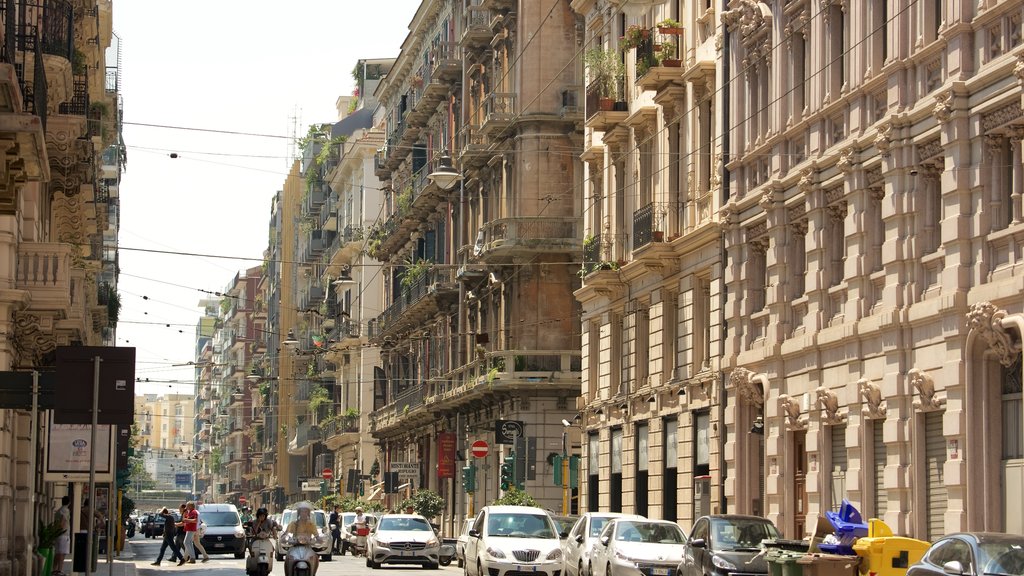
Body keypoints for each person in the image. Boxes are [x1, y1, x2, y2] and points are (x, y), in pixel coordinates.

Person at [53, 496, 70, 576]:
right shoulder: (65, 510)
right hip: (63, 534)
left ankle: (54, 569)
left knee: (57, 552)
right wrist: (61, 528)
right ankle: (59, 570)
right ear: (69, 502)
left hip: (58, 534)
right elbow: (63, 521)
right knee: (62, 553)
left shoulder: (58, 511)